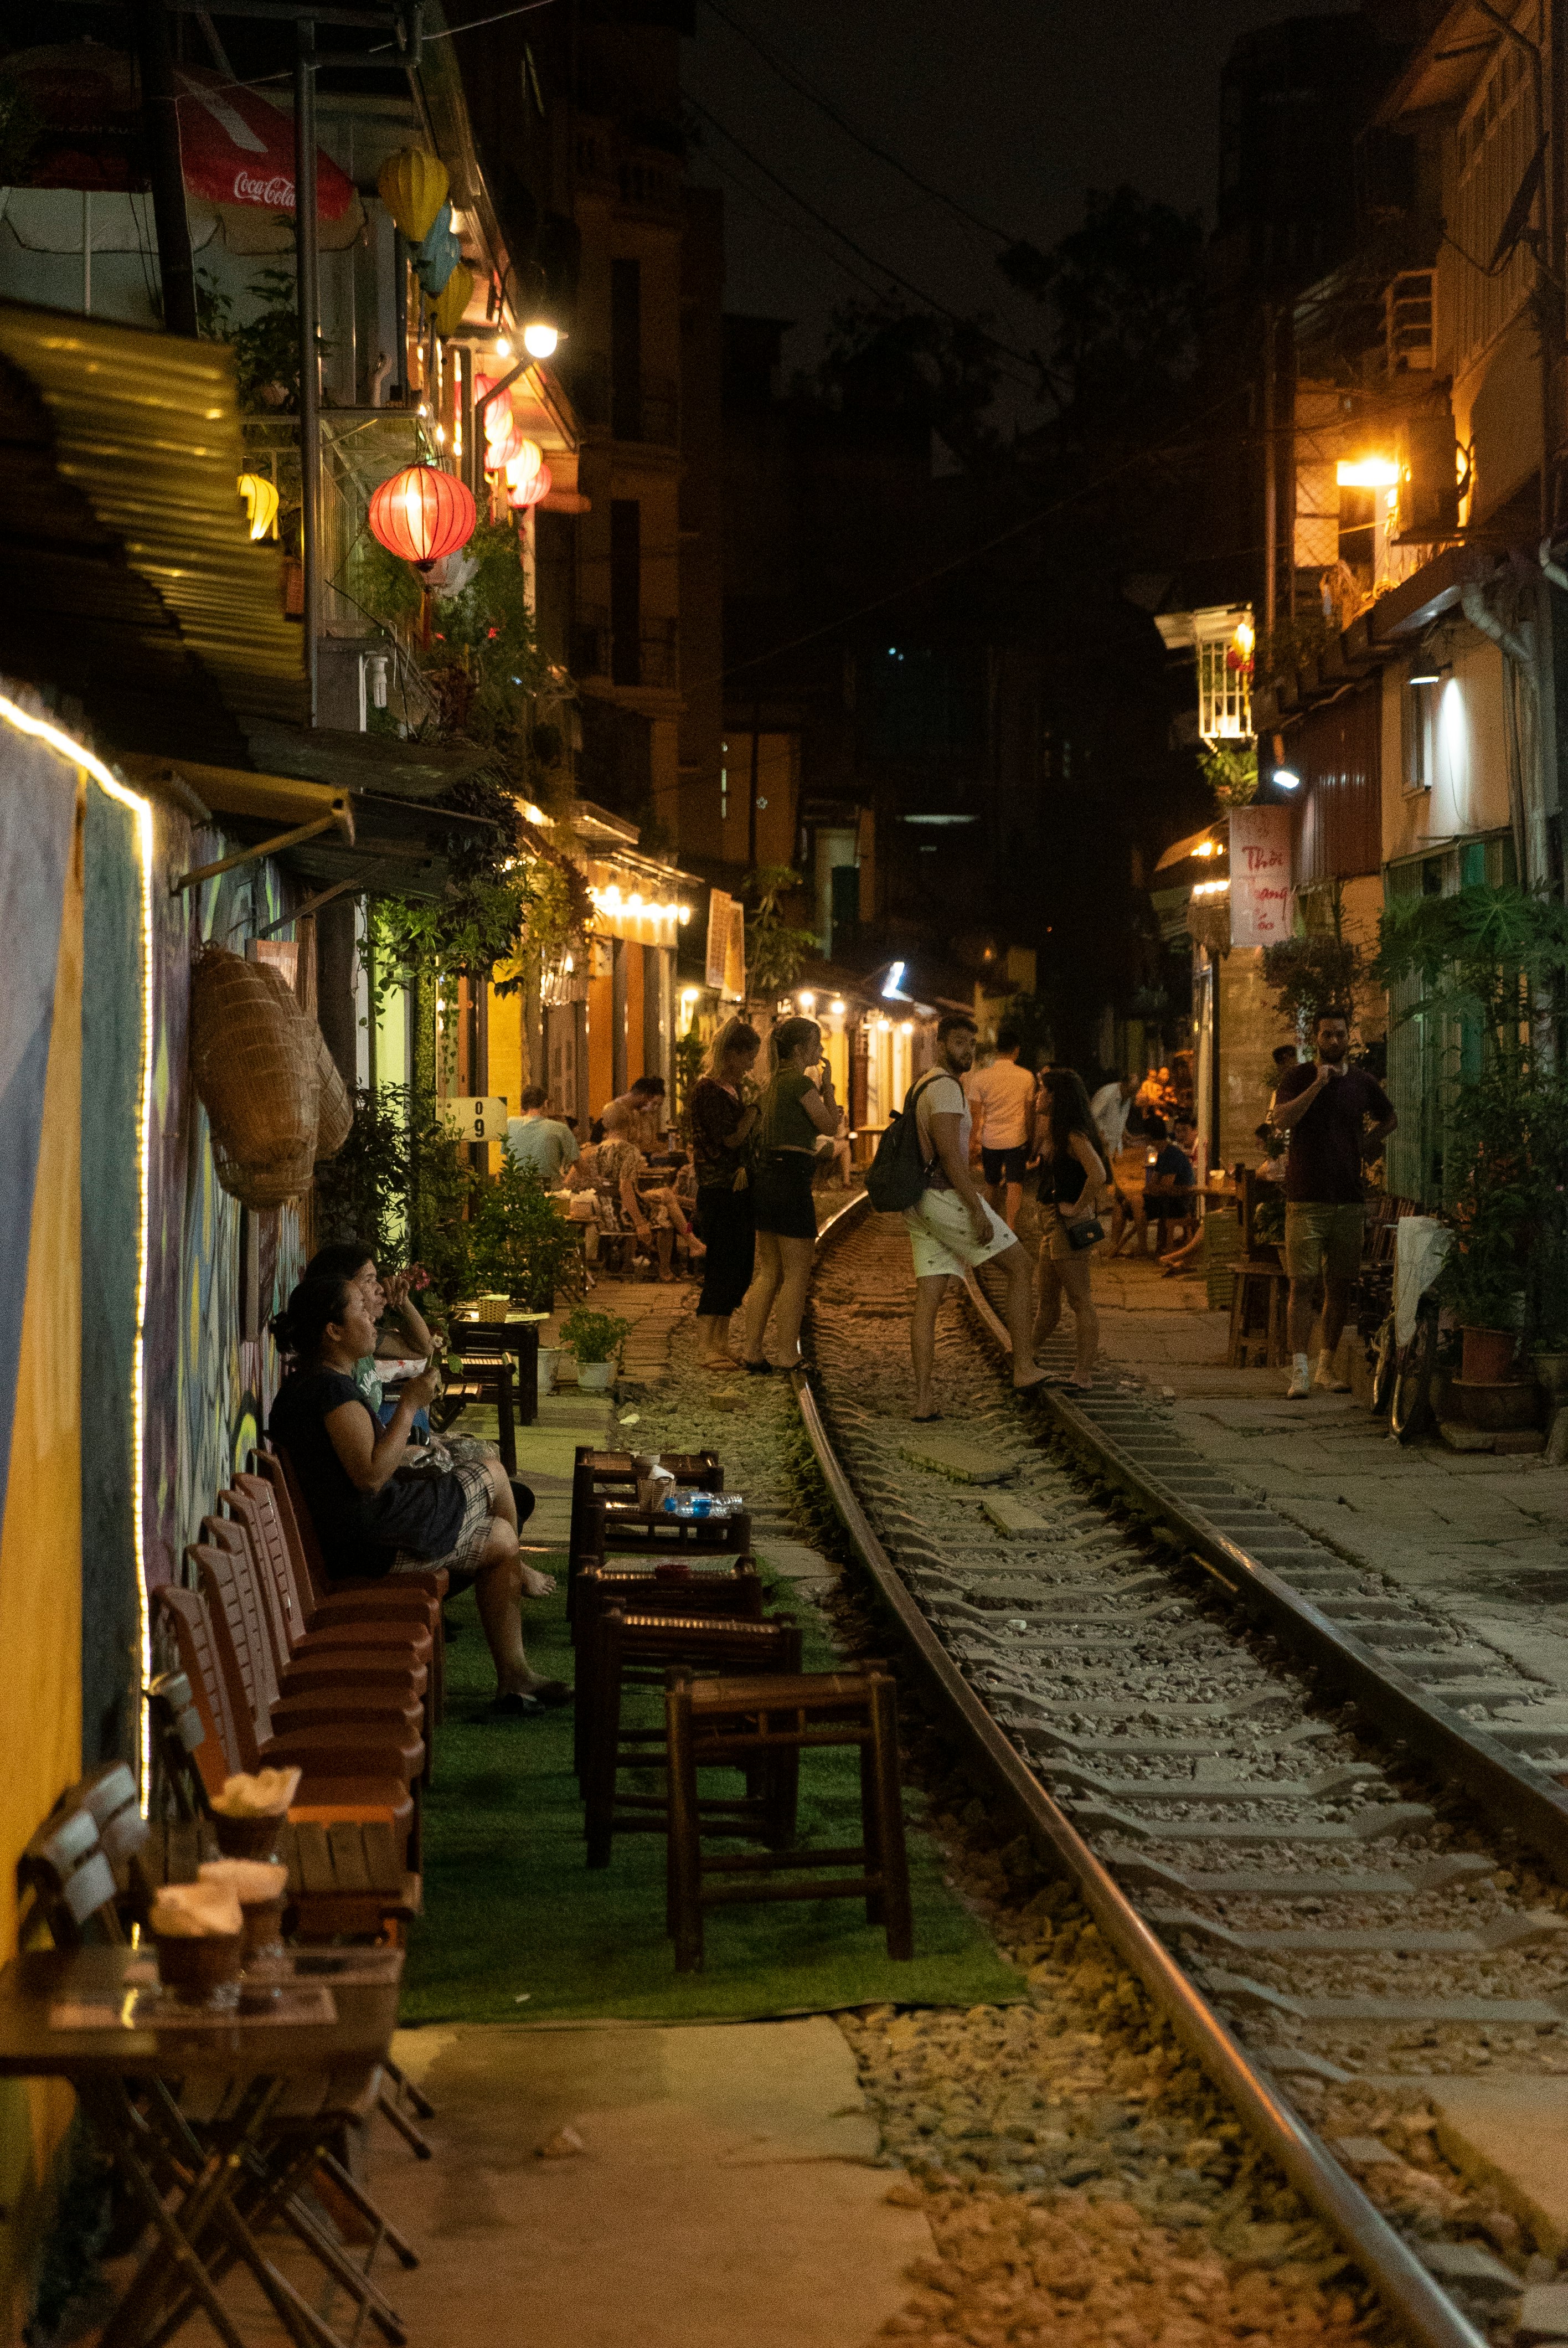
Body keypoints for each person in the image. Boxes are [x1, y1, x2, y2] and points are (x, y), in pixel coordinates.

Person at [269, 1275, 565, 1717]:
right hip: (369, 1543)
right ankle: (519, 1587)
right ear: (333, 1330)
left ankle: (515, 1677)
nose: (373, 1317)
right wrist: (408, 1406)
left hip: (362, 1534)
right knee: (493, 1473)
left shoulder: (316, 1383)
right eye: (361, 1309)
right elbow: (370, 1477)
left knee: (501, 1536)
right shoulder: (328, 1391)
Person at [904, 1011, 1049, 1420]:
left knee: (929, 1300)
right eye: (959, 1043)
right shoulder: (947, 1089)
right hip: (945, 1197)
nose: (967, 1051)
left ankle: (923, 1401)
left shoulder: (922, 1085)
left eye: (972, 1044)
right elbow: (951, 1156)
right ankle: (1023, 1366)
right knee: (1020, 1265)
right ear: (940, 1044)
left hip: (919, 1202)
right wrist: (977, 1209)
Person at [1272, 1008, 1397, 1399]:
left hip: (1348, 1198)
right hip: (1305, 1198)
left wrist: (1366, 1144)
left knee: (1339, 1285)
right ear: (1317, 1038)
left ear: (1349, 1038)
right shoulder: (1298, 1077)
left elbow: (1390, 1117)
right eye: (1327, 1036)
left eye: (1341, 1036)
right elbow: (1281, 1120)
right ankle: (1299, 1370)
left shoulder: (1361, 1082)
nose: (1334, 1042)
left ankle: (1326, 1365)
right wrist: (1316, 1087)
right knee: (1302, 1284)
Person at [743, 1016, 842, 1370]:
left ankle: (751, 1350)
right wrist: (828, 1089)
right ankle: (786, 1353)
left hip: (767, 1180)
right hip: (790, 1181)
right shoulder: (799, 1083)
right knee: (797, 1272)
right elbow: (830, 1126)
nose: (820, 1050)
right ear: (800, 1049)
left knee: (769, 1270)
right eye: (816, 1043)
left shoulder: (770, 1086)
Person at [687, 1016, 762, 1366]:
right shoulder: (708, 1090)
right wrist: (755, 1112)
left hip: (741, 1189)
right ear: (730, 1054)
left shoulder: (736, 1090)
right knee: (721, 1265)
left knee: (741, 1267)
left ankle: (721, 1340)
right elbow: (729, 1139)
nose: (751, 1064)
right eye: (748, 1056)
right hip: (719, 1189)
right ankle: (705, 1347)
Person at [1030, 1065, 1108, 1391]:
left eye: (1043, 1090)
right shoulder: (1056, 1131)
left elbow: (1098, 1173)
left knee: (1080, 1300)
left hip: (1068, 1224)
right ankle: (1025, 1355)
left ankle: (1083, 1374)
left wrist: (1077, 1207)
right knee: (1048, 1299)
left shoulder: (1073, 1134)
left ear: (1056, 1097)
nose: (1038, 1096)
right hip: (1053, 1224)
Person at [594, 1101, 703, 1282]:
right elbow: (625, 1188)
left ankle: (629, 1263)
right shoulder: (629, 1150)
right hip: (623, 1213)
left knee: (666, 1194)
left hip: (605, 1213)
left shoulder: (595, 1150)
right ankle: (667, 1269)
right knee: (666, 1216)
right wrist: (640, 1223)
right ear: (629, 1124)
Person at [964, 1028, 1039, 1232]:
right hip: (1018, 1137)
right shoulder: (1027, 1077)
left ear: (997, 1050)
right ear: (1017, 1050)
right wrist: (1032, 1139)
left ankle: (991, 1226)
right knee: (1015, 1183)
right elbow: (1030, 1113)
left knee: (992, 1183)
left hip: (990, 1139)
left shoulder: (980, 1078)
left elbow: (975, 1115)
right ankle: (1011, 1226)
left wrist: (972, 1143)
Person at [1091, 1072, 1143, 1254]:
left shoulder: (1127, 1098)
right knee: (1105, 1191)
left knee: (1118, 1194)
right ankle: (1095, 1236)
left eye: (1136, 1090)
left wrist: (1127, 1136)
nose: (1134, 1093)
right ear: (1124, 1083)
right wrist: (1101, 1136)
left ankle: (1113, 1243)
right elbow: (1093, 1117)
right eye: (1132, 1089)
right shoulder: (1108, 1094)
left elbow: (1121, 1121)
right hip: (1101, 1147)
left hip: (1114, 1147)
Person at [1144, 1113, 1199, 1259]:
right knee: (1130, 1203)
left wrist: (1154, 1188)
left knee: (1138, 1204)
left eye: (1184, 1130)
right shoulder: (1163, 1154)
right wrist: (1154, 1188)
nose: (1180, 1135)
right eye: (1177, 1131)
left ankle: (1144, 1248)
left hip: (1179, 1201)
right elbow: (1154, 1184)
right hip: (1169, 1199)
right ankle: (1128, 1245)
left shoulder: (1174, 1154)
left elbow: (1165, 1187)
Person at [506, 1086, 579, 1186]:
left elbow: (508, 1157)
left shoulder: (509, 1124)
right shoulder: (560, 1128)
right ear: (545, 1103)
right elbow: (580, 1166)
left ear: (523, 1106)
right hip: (549, 1192)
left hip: (516, 1191)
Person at [596, 1073, 666, 1150]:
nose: (647, 1103)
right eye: (648, 1099)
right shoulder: (616, 1110)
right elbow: (618, 1148)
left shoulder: (633, 1112)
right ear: (643, 1095)